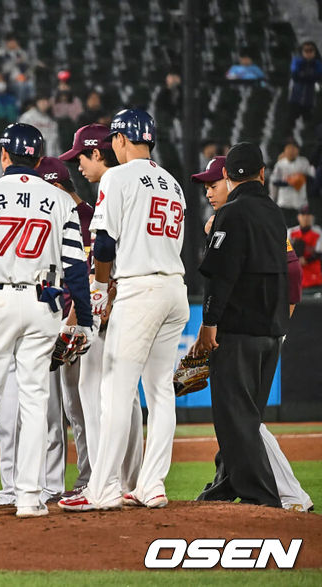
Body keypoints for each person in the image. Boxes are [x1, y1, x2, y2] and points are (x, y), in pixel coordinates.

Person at [0, 124, 92, 518]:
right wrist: (84, 319)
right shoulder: (59, 199)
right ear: (38, 156)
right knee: (35, 401)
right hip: (42, 301)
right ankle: (30, 497)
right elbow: (76, 266)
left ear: (5, 155)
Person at [60, 109, 188, 511]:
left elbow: (104, 244)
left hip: (139, 288)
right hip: (175, 288)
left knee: (114, 390)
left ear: (118, 140)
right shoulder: (174, 184)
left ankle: (103, 489)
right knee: (160, 392)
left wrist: (98, 287)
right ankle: (152, 485)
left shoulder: (117, 176)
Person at [192, 155, 314, 512]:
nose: (209, 193)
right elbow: (289, 272)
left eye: (213, 185)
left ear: (229, 178)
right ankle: (224, 486)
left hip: (240, 329)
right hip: (269, 330)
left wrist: (209, 323)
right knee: (244, 419)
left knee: (239, 419)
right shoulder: (274, 214)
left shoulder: (231, 216)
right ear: (262, 173)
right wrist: (280, 320)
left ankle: (268, 497)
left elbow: (220, 276)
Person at [0, 155, 94, 506]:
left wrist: (80, 320)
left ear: (56, 186)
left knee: (78, 409)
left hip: (73, 319)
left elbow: (87, 274)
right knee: (47, 410)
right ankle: (42, 485)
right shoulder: (45, 212)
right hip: (42, 316)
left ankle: (84, 480)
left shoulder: (88, 217)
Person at [58, 124, 144, 496]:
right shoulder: (140, 185)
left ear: (97, 152)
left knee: (94, 392)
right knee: (128, 396)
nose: (77, 164)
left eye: (80, 156)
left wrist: (98, 296)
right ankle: (132, 482)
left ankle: (102, 482)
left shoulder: (115, 184)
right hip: (135, 298)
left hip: (113, 304)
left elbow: (108, 251)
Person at [270, 141, 314, 227]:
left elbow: (312, 177)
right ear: (285, 151)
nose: (291, 151)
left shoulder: (303, 162)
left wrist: (301, 178)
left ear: (298, 150)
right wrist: (289, 182)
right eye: (289, 149)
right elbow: (275, 181)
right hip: (284, 202)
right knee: (284, 227)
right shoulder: (280, 164)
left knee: (297, 228)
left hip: (299, 202)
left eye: (293, 149)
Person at [290, 205, 322, 290]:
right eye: (303, 215)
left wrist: (306, 260)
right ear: (298, 217)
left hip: (313, 275)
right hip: (295, 276)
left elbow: (319, 253)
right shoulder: (291, 232)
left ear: (312, 217)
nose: (305, 217)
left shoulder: (318, 232)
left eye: (308, 215)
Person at [289, 42, 322, 124]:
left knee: (308, 121)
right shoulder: (297, 61)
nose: (308, 53)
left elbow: (318, 77)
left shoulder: (317, 63)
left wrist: (306, 76)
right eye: (306, 50)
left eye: (311, 50)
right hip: (296, 97)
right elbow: (295, 75)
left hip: (310, 99)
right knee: (291, 119)